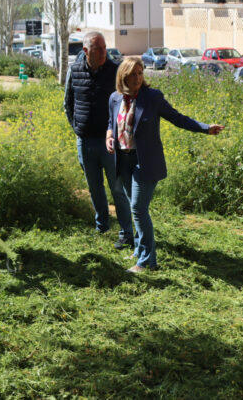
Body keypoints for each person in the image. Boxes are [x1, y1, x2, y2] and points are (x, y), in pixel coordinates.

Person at [106, 57, 224, 273]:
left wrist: (205, 128)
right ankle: (141, 249)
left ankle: (146, 262)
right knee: (136, 209)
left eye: (140, 73)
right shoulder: (115, 98)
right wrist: (109, 135)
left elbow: (177, 118)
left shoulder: (152, 97)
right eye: (133, 74)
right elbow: (110, 121)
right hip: (123, 161)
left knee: (138, 209)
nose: (138, 78)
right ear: (123, 76)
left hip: (145, 162)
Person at [64, 32, 134, 249]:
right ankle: (102, 226)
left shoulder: (114, 71)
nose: (104, 52)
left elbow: (126, 102)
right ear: (86, 51)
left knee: (117, 188)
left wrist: (117, 133)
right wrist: (77, 128)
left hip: (110, 143)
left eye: (104, 47)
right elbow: (68, 103)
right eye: (98, 48)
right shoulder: (74, 71)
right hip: (85, 141)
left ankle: (126, 232)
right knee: (95, 187)